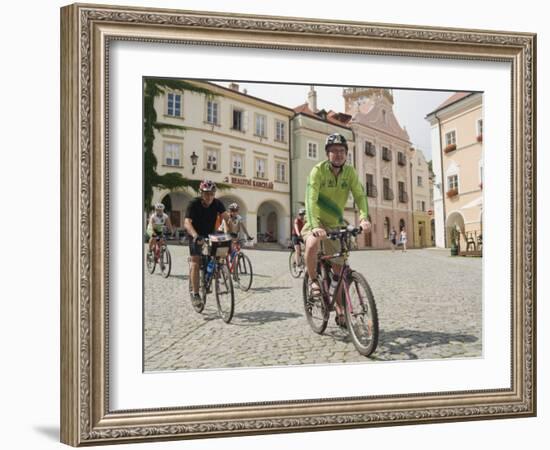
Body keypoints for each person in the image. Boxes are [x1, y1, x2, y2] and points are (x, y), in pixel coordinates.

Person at [302, 133, 371, 328]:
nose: (338, 154)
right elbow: (310, 199)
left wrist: (365, 217)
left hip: (335, 224)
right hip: (314, 221)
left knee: (340, 271)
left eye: (342, 151)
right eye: (334, 151)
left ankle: (341, 311)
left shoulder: (349, 173)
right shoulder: (318, 171)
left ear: (346, 154)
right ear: (327, 154)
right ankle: (314, 280)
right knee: (313, 243)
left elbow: (359, 194)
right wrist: (315, 225)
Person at [183, 180, 231, 307]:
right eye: (206, 194)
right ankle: (196, 294)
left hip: (210, 235)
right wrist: (195, 235)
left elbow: (226, 217)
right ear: (201, 193)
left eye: (211, 193)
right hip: (195, 234)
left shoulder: (217, 203)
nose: (209, 196)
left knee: (219, 255)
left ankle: (214, 273)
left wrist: (232, 226)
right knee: (195, 262)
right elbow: (187, 222)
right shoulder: (193, 204)